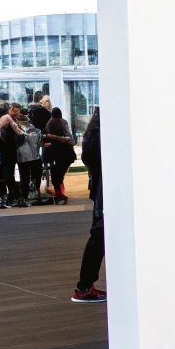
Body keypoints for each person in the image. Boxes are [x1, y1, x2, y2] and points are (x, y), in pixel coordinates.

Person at [72, 107, 106, 302]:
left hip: (102, 186)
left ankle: (85, 286)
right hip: (107, 188)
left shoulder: (97, 125)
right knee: (100, 234)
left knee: (101, 235)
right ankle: (84, 287)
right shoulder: (103, 127)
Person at [14, 104, 47, 205]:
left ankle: (24, 197)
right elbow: (40, 143)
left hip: (22, 157)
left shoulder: (17, 130)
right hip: (36, 156)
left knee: (24, 177)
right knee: (37, 176)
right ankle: (38, 194)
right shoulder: (37, 130)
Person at [43, 106, 76, 205]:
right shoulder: (63, 122)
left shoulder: (50, 122)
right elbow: (68, 136)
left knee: (56, 173)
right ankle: (60, 192)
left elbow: (48, 136)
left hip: (55, 152)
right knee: (60, 173)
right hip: (67, 152)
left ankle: (59, 193)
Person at [0, 105, 24, 208]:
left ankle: (13, 196)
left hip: (7, 150)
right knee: (8, 174)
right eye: (17, 111)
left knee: (8, 174)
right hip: (7, 150)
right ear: (11, 110)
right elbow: (18, 133)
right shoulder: (7, 118)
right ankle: (14, 195)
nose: (18, 113)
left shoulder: (9, 119)